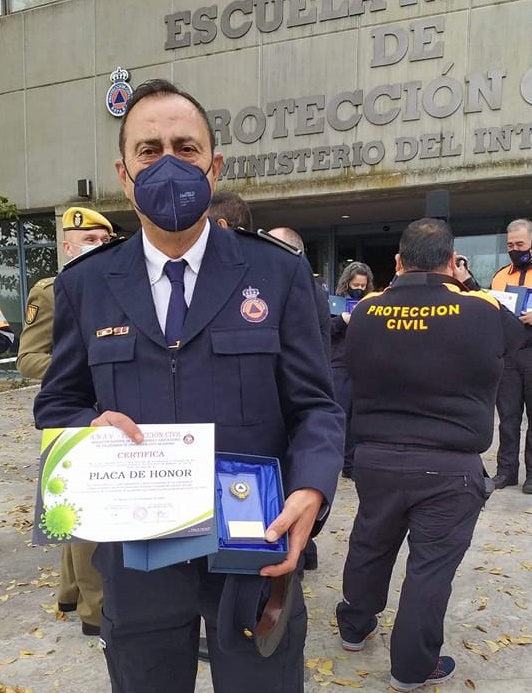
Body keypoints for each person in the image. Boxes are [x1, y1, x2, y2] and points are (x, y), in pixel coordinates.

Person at [33, 78, 344, 693]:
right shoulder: (85, 285)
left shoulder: (276, 274)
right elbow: (58, 401)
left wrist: (312, 488)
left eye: (186, 147)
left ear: (213, 165)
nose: (168, 163)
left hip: (254, 547)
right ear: (125, 173)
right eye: (150, 151)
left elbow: (316, 406)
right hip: (138, 555)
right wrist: (84, 430)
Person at [335, 218, 524, 692]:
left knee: (369, 545)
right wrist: (465, 283)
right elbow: (517, 338)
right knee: (430, 568)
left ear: (397, 262)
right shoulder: (480, 307)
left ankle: (355, 627)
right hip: (449, 465)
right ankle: (410, 668)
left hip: (376, 455)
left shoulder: (367, 308)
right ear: (451, 262)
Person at [17, 206, 113, 636]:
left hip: (104, 414)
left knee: (74, 511)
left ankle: (70, 592)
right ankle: (96, 613)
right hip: (71, 415)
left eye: (102, 241)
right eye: (87, 241)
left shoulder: (109, 284)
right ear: (67, 245)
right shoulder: (51, 291)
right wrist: (75, 367)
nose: (96, 248)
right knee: (83, 518)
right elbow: (27, 359)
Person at [268, 226, 331, 575]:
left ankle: (301, 548)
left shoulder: (301, 286)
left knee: (296, 481)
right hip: (298, 388)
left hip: (299, 390)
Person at [490, 218, 532, 493]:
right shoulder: (500, 275)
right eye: (510, 244)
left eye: (520, 244)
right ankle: (506, 472)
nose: (514, 248)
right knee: (508, 417)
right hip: (508, 354)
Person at [331, 261, 374, 479]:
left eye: (363, 285)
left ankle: (352, 463)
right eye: (355, 283)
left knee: (359, 419)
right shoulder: (333, 304)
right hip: (339, 365)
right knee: (340, 417)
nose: (359, 288)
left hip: (362, 367)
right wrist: (341, 321)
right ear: (347, 282)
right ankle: (335, 463)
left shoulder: (371, 303)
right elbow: (323, 332)